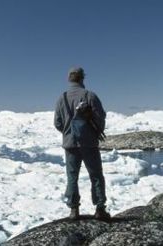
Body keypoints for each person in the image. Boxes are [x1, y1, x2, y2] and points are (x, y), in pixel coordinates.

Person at [54, 67, 110, 220]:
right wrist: (92, 132)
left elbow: (57, 123)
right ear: (82, 78)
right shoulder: (89, 96)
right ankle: (100, 209)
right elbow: (100, 118)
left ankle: (74, 210)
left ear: (69, 79)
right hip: (89, 143)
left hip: (70, 145)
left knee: (72, 177)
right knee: (96, 175)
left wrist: (69, 132)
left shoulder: (62, 98)